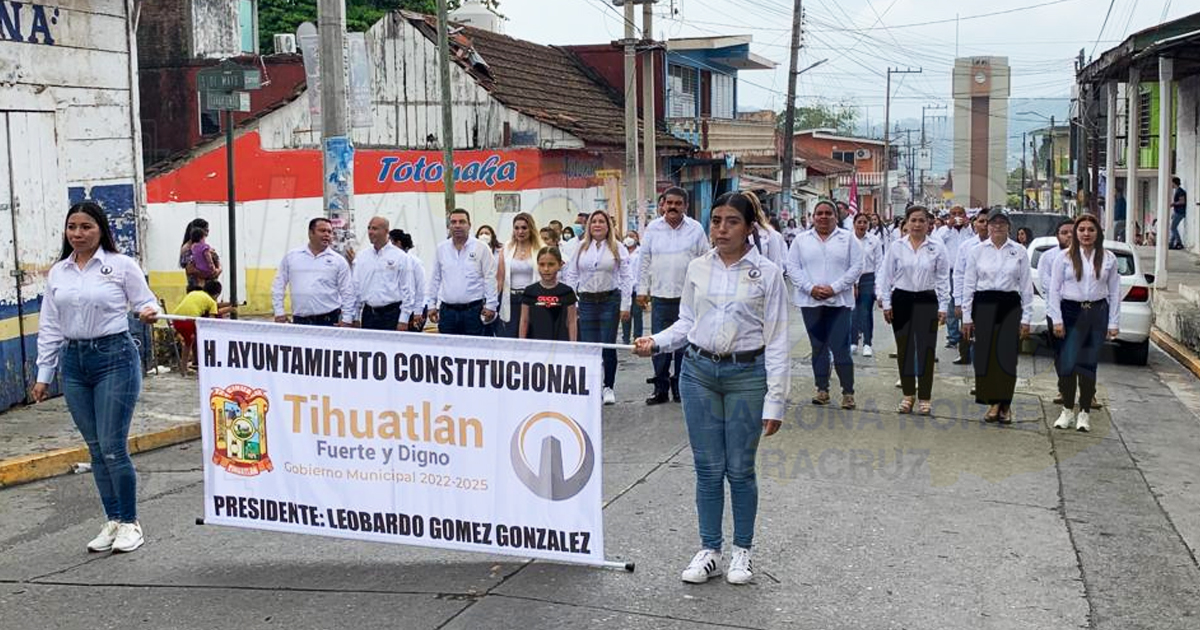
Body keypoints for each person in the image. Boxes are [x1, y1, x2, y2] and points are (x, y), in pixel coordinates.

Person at [632, 191, 789, 586]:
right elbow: (686, 322)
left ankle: (742, 551)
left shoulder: (767, 273)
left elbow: (778, 340)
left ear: (750, 227)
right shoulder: (698, 268)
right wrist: (657, 341)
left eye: (731, 221)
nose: (721, 229)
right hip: (698, 373)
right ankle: (710, 550)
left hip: (747, 377)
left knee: (739, 469)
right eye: (716, 220)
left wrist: (776, 401)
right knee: (707, 468)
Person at [31, 200, 161, 553]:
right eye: (72, 227)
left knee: (113, 447)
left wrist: (149, 312)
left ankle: (131, 523)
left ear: (101, 229)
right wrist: (44, 374)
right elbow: (50, 324)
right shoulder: (59, 272)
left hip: (114, 358)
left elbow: (146, 302)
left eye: (86, 227)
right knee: (96, 450)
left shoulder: (120, 266)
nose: (78, 234)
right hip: (74, 362)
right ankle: (114, 520)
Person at [787, 199, 863, 409]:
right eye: (819, 213)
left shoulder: (848, 239)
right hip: (811, 303)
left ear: (835, 216)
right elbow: (792, 267)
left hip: (839, 303)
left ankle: (848, 392)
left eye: (828, 213)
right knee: (818, 347)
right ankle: (822, 390)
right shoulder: (801, 240)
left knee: (841, 348)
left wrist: (835, 287)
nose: (823, 217)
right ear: (813, 217)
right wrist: (810, 288)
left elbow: (857, 266)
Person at [1048, 214, 1121, 432]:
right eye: (1081, 230)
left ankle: (1084, 413)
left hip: (1096, 313)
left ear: (1097, 233)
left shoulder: (1108, 259)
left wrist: (1113, 322)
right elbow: (1054, 289)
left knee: (1088, 365)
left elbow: (1115, 292)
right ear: (1075, 233)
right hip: (1070, 312)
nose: (1086, 234)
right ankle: (1068, 410)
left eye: (1090, 230)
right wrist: (1057, 319)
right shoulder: (1064, 258)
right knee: (1068, 365)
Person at [639, 187, 710, 405]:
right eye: (669, 203)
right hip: (660, 296)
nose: (672, 207)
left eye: (678, 203)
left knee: (684, 344)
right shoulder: (652, 228)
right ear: (663, 205)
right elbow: (644, 261)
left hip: (687, 297)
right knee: (658, 345)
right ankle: (660, 389)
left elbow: (705, 261)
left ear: (685, 206)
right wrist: (642, 290)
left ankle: (680, 387)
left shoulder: (696, 229)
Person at [961, 213, 1034, 423]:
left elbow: (1026, 286)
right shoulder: (977, 251)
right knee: (986, 356)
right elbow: (969, 283)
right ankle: (993, 402)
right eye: (994, 223)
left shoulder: (1018, 251)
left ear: (1009, 226)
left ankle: (1006, 404)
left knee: (1007, 356)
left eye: (1002, 223)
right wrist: (966, 315)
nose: (998, 227)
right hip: (983, 304)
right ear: (987, 226)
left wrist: (1026, 317)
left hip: (1009, 304)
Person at [879, 205, 950, 416]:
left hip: (927, 300)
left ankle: (925, 397)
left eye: (922, 221)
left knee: (926, 350)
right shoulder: (896, 247)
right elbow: (886, 276)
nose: (917, 224)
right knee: (905, 349)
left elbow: (943, 278)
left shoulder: (937, 247)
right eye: (914, 220)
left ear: (929, 224)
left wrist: (944, 305)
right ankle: (908, 395)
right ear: (907, 223)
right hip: (902, 298)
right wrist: (887, 303)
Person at [562, 210, 632, 406]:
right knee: (589, 346)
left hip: (609, 300)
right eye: (594, 222)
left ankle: (608, 386)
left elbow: (627, 277)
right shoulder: (580, 248)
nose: (598, 225)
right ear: (589, 226)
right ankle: (592, 386)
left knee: (608, 345)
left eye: (602, 221)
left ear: (608, 226)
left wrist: (626, 305)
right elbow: (571, 275)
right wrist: (572, 301)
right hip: (586, 301)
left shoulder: (617, 248)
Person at [271, 217, 356, 327]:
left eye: (330, 232)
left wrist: (347, 319)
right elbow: (278, 284)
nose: (327, 235)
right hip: (301, 321)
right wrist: (279, 312)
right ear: (311, 233)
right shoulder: (292, 257)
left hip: (329, 320)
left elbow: (348, 292)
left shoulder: (338, 261)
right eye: (322, 231)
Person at [427, 209, 498, 336]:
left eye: (462, 222)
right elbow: (435, 278)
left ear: (469, 225)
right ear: (449, 226)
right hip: (447, 311)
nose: (457, 225)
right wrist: (431, 304)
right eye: (453, 222)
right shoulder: (441, 249)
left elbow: (490, 277)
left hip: (473, 311)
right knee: (447, 351)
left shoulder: (481, 248)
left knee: (474, 351)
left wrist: (491, 305)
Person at [353, 217, 417, 332]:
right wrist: (356, 316)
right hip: (369, 314)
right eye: (369, 228)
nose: (370, 232)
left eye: (375, 229)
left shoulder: (400, 256)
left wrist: (403, 320)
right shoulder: (362, 256)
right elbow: (356, 287)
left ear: (386, 231)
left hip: (392, 314)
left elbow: (408, 290)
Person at [951, 208, 991, 365]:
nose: (985, 225)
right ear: (974, 224)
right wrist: (958, 301)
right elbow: (959, 275)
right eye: (981, 221)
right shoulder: (967, 246)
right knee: (970, 333)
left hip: (992, 298)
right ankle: (975, 370)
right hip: (970, 298)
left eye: (988, 221)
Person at [171, 279, 233, 375]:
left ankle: (183, 368)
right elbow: (211, 320)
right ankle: (204, 365)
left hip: (176, 319)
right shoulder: (211, 302)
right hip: (189, 322)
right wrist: (230, 309)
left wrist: (228, 304)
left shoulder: (196, 293)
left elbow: (211, 305)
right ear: (217, 294)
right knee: (201, 341)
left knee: (188, 343)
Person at [496, 213, 542, 338]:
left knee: (531, 335)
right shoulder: (506, 249)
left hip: (532, 299)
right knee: (509, 335)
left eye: (524, 228)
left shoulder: (541, 249)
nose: (520, 231)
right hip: (510, 299)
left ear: (531, 229)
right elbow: (500, 279)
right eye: (516, 228)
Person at [519, 246, 578, 342]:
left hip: (560, 345)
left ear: (560, 265)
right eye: (542, 264)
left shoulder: (567, 292)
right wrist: (521, 344)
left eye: (551, 264)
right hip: (535, 344)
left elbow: (571, 322)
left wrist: (573, 346)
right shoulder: (530, 291)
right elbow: (524, 320)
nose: (546, 269)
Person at [935, 206, 970, 351]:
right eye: (953, 214)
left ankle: (966, 334)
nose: (957, 216)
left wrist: (968, 226)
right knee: (951, 305)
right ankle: (953, 337)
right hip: (950, 272)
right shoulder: (943, 231)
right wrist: (948, 227)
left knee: (966, 303)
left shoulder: (970, 230)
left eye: (960, 214)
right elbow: (937, 243)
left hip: (967, 272)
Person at [851, 212, 884, 357]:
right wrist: (852, 283)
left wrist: (878, 286)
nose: (862, 225)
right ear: (854, 224)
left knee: (865, 311)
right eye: (859, 222)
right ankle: (852, 342)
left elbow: (879, 263)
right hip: (851, 279)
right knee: (852, 312)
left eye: (865, 222)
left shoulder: (874, 240)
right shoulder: (848, 240)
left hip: (868, 279)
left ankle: (867, 343)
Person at [389, 229, 427, 330]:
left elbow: (421, 287)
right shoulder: (392, 262)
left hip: (415, 308)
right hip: (400, 309)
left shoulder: (414, 262)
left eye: (391, 242)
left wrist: (418, 311)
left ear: (398, 243)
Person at [622, 232, 643, 344]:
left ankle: (637, 337)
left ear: (637, 238)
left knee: (637, 313)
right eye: (627, 236)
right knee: (625, 312)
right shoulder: (622, 252)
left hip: (637, 288)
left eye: (632, 236)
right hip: (625, 288)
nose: (629, 238)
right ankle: (625, 337)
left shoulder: (641, 252)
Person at [1170, 176, 1187, 250]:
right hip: (1177, 211)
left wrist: (1173, 204)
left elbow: (1182, 201)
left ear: (1174, 183)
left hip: (1180, 212)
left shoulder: (1180, 191)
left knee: (1173, 227)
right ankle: (1171, 243)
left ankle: (1179, 243)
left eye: (1172, 183)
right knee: (1174, 228)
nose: (1171, 184)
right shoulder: (1177, 191)